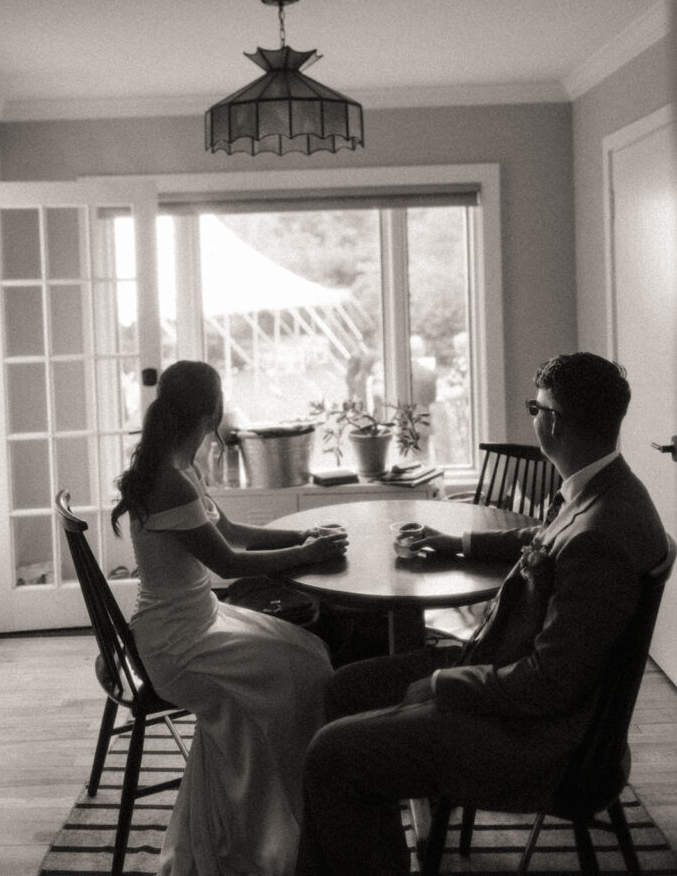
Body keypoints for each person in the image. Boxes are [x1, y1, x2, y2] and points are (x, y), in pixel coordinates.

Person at [295, 352, 668, 876]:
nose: (533, 417)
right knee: (345, 690)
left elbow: (548, 686)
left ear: (554, 421)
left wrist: (446, 681)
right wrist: (458, 541)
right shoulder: (606, 489)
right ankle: (374, 849)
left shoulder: (600, 537)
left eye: (535, 408)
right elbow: (540, 540)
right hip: (516, 686)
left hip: (539, 744)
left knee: (330, 754)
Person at [111, 360, 348, 876]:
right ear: (211, 411)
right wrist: (307, 555)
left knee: (310, 656)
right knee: (305, 673)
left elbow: (233, 531)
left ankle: (263, 819)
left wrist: (302, 540)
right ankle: (288, 816)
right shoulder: (170, 480)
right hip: (179, 643)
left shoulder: (179, 467)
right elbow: (230, 562)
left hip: (199, 620)